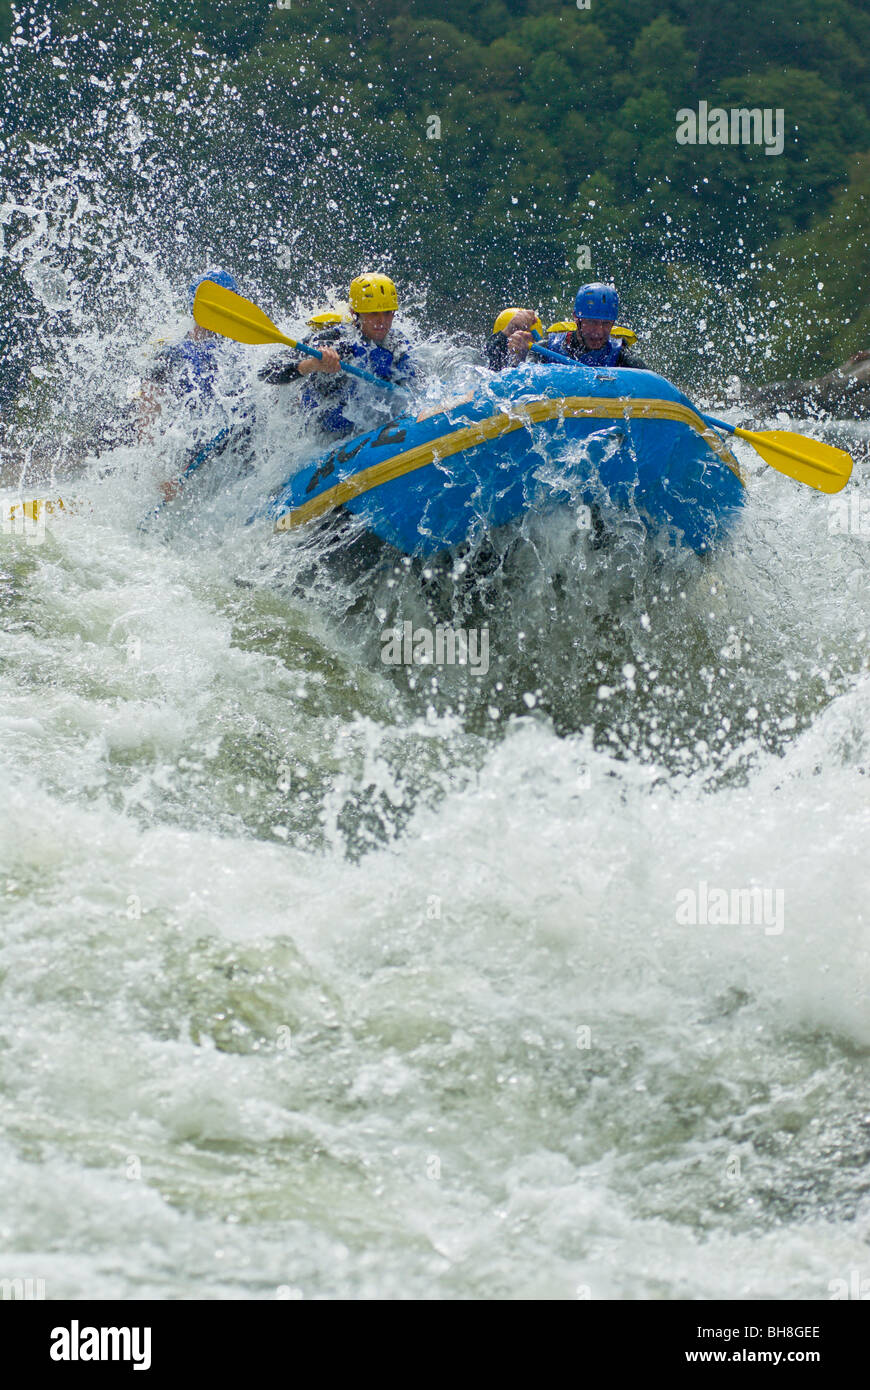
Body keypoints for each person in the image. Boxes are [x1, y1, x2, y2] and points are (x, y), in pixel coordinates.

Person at [258, 273, 417, 439]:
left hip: (367, 430)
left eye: (387, 313)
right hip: (321, 432)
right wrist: (312, 365)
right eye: (373, 313)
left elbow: (418, 385)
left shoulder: (397, 345)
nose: (382, 321)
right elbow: (266, 372)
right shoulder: (333, 340)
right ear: (355, 313)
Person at [495, 283, 648, 371]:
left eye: (606, 324)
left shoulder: (620, 356)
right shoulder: (547, 348)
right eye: (592, 322)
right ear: (576, 318)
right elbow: (518, 380)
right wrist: (518, 357)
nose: (599, 332)